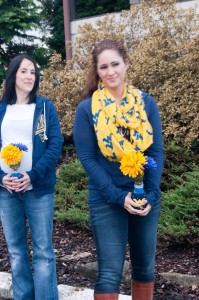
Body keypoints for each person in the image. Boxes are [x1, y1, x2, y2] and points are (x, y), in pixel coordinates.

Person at [73, 39, 164, 300]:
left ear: (126, 64)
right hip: (106, 197)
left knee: (145, 270)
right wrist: (116, 196)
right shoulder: (87, 109)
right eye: (104, 67)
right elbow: (88, 159)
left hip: (144, 196)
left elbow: (155, 151)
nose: (110, 71)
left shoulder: (146, 104)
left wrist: (151, 194)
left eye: (115, 64)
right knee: (109, 273)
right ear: (97, 71)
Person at [0, 54, 63, 300]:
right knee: (15, 251)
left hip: (38, 189)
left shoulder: (44, 107)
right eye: (24, 71)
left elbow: (55, 144)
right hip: (6, 191)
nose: (29, 76)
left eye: (33, 72)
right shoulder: (2, 109)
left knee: (44, 251)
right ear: (13, 74)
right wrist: (1, 178)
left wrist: (33, 175)